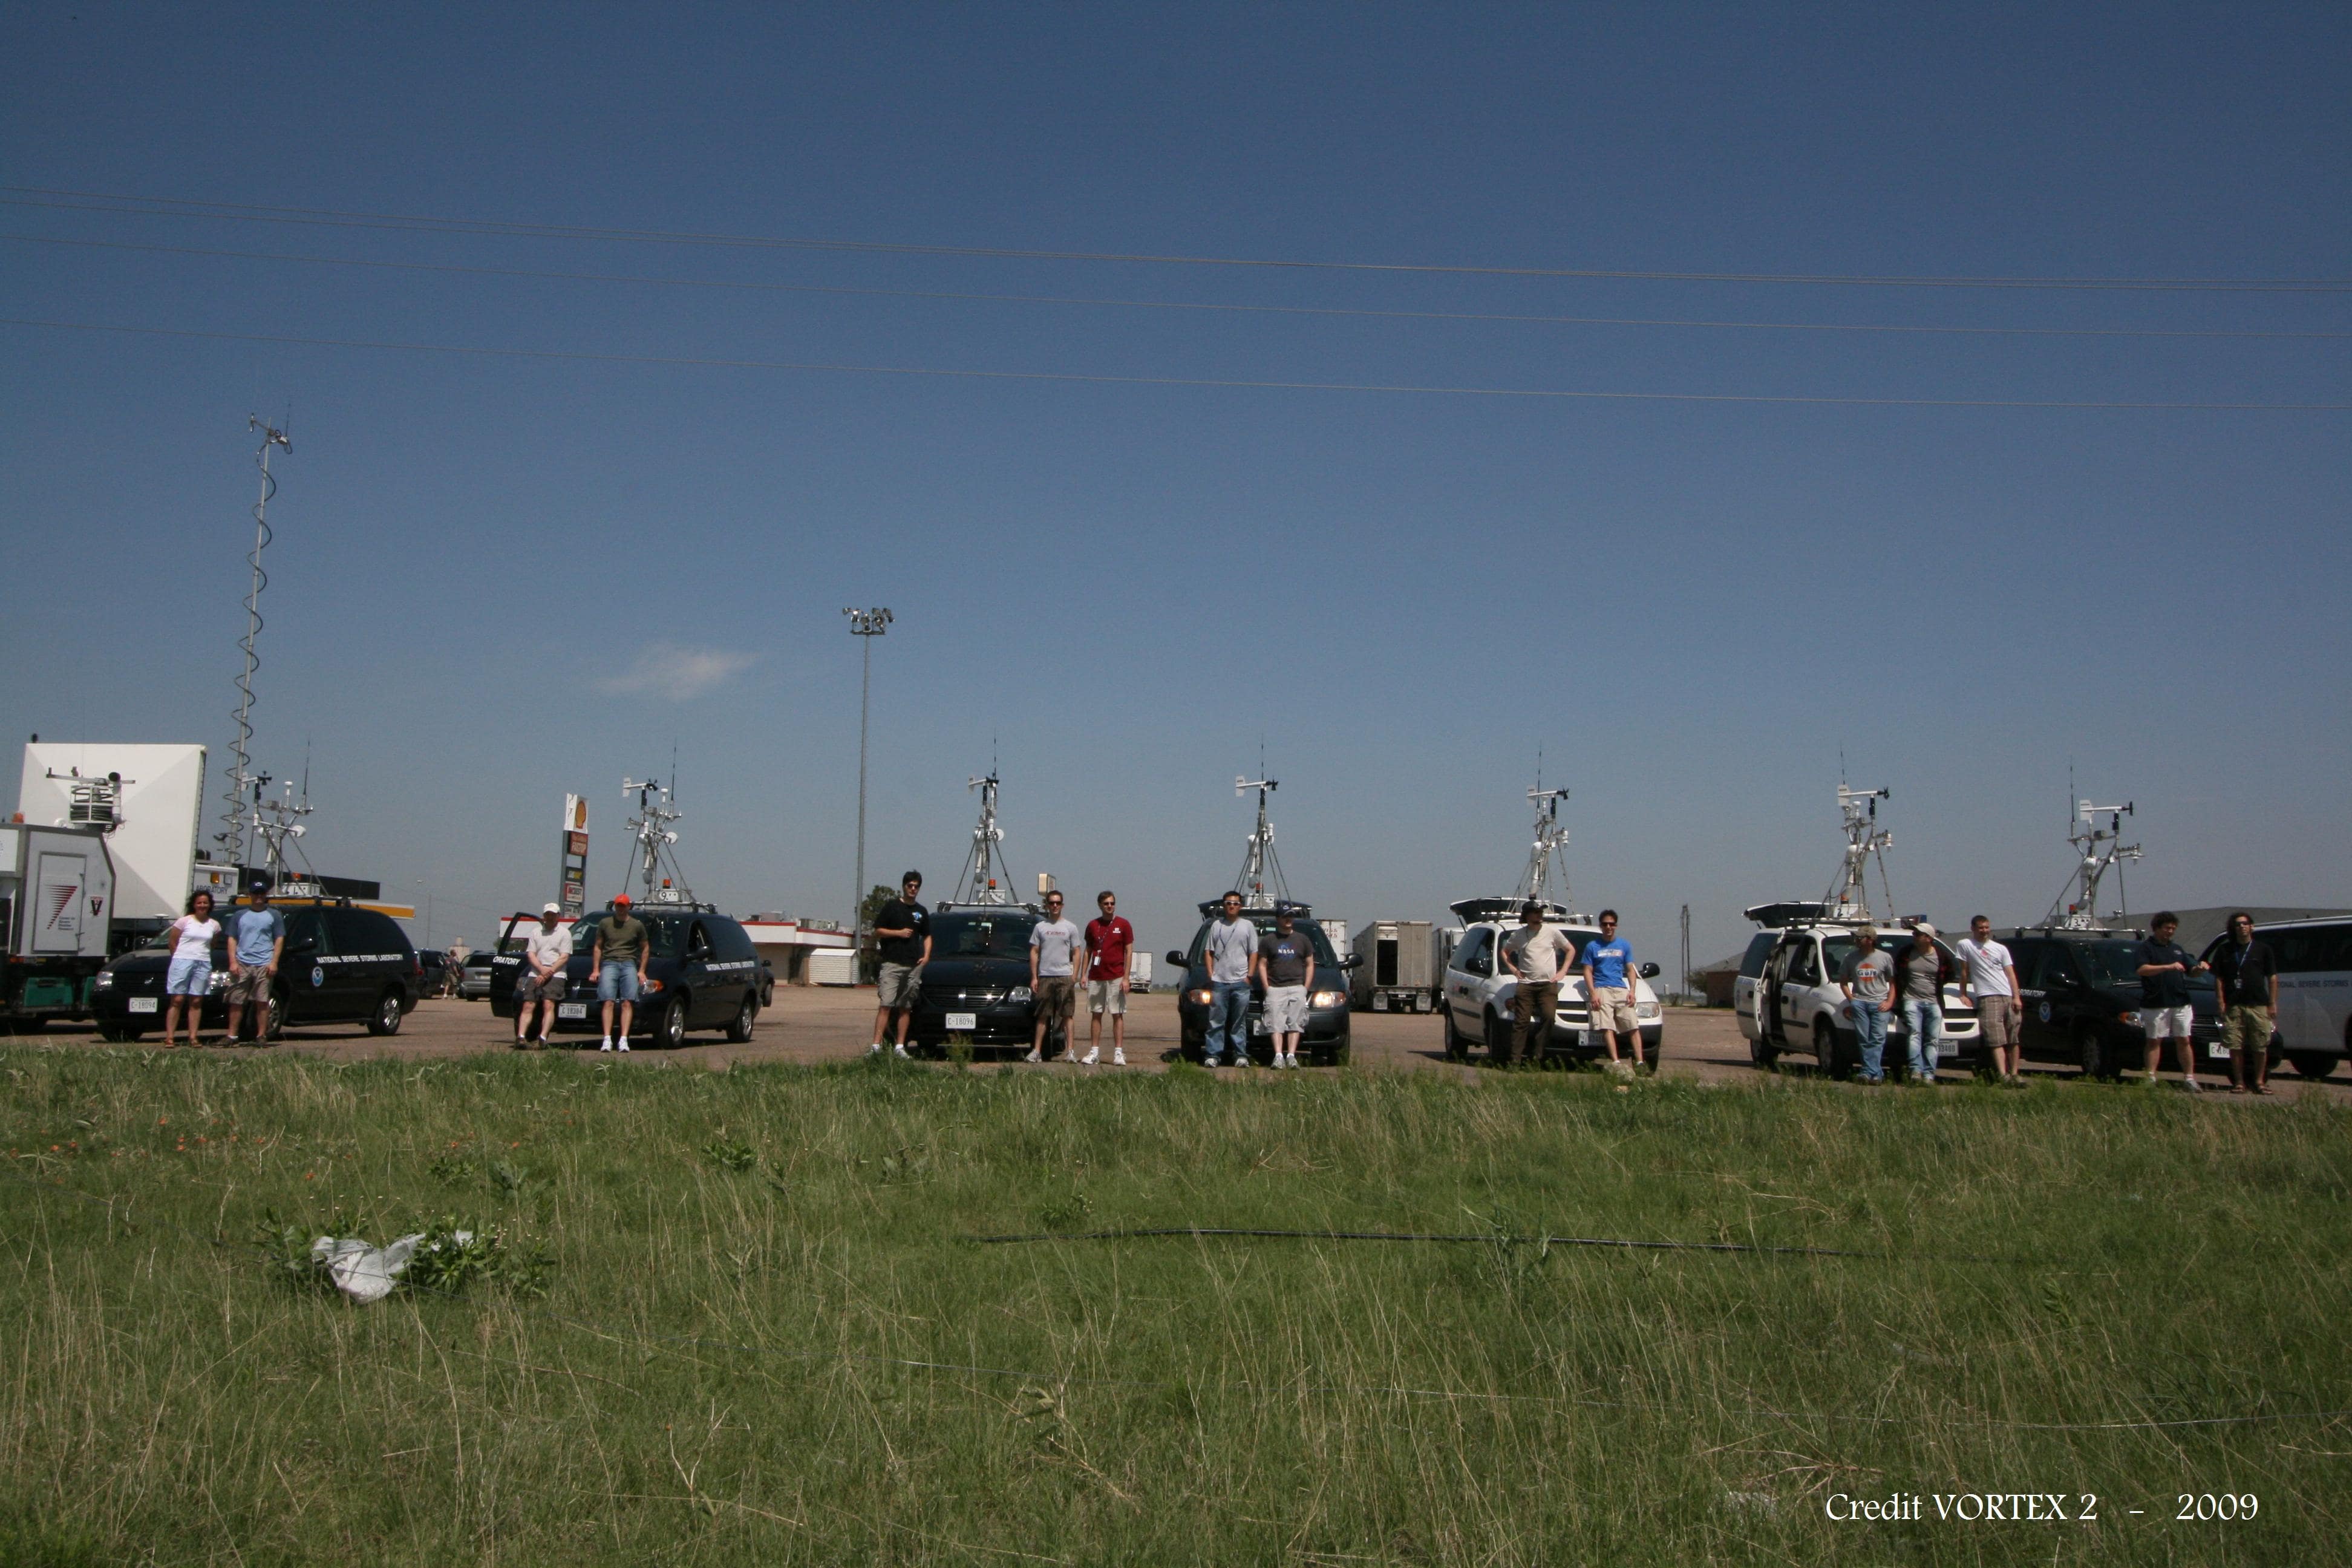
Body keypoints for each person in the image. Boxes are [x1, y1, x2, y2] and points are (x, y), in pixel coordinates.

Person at [2134, 911, 2209, 1091]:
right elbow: (2142, 969)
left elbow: (2191, 970)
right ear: (2157, 928)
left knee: (2184, 1039)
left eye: (2173, 929)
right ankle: (2150, 1077)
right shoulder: (2146, 948)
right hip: (2156, 1003)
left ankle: (2189, 1078)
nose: (2170, 932)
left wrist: (2201, 968)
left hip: (2180, 1002)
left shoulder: (2177, 949)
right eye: (2167, 928)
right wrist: (2168, 967)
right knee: (2154, 1040)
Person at [1498, 901, 1574, 1068]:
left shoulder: (1552, 932)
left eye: (1540, 912)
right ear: (1527, 916)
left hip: (1547, 985)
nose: (1539, 915)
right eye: (1535, 912)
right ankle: (1515, 1060)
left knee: (1548, 1017)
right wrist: (1513, 968)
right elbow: (1505, 952)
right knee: (1522, 1021)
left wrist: (1563, 972)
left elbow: (1570, 950)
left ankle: (1536, 1058)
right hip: (1526, 985)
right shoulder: (1519, 935)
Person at [2210, 912, 2278, 1095]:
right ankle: (2239, 1083)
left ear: (2252, 926)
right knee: (2235, 1045)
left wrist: (2272, 1003)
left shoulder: (2263, 949)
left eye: (2245, 924)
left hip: (2258, 1005)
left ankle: (2259, 1082)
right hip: (2234, 1005)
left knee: (2260, 1045)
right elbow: (2218, 978)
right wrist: (2220, 1001)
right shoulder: (2225, 950)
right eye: (2238, 925)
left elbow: (2272, 977)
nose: (2242, 927)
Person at [868, 872, 930, 1059]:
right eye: (910, 886)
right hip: (892, 964)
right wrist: (899, 933)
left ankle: (900, 1046)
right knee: (886, 1005)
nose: (913, 889)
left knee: (905, 1007)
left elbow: (927, 935)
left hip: (913, 966)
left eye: (916, 886)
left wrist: (926, 956)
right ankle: (876, 1047)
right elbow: (878, 930)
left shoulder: (922, 912)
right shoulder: (892, 907)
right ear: (904, 886)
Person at [1956, 916, 2024, 1085]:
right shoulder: (1966, 945)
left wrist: (2016, 997)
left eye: (1987, 927)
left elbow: (2010, 974)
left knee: (2013, 1037)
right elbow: (1964, 971)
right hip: (1988, 996)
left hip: (2007, 994)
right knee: (1996, 1038)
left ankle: (2015, 1074)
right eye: (1981, 928)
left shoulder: (2000, 949)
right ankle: (2003, 1074)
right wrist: (1963, 993)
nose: (1985, 931)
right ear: (1973, 928)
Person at [1580, 909, 1645, 1076]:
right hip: (1602, 988)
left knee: (1632, 1025)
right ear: (1600, 926)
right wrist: (1593, 993)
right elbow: (1588, 971)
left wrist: (1632, 991)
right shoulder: (1592, 947)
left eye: (1611, 924)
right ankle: (1616, 1062)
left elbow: (1630, 969)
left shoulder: (1624, 945)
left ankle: (1640, 1062)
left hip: (1620, 988)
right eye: (1605, 924)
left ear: (1616, 926)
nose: (1608, 927)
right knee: (1607, 1026)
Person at [223, 878, 285, 1046]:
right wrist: (233, 962)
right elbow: (232, 939)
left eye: (262, 893)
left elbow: (279, 939)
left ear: (266, 895)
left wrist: (274, 962)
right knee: (236, 1000)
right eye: (256, 893)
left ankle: (261, 1035)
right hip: (242, 962)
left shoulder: (274, 915)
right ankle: (232, 1035)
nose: (259, 896)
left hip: (264, 962)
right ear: (250, 895)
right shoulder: (240, 915)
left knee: (262, 1001)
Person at [1255, 904, 1318, 1069]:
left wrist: (1306, 987)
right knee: (1275, 1023)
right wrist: (1266, 986)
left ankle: (1291, 1056)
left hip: (1297, 987)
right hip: (1275, 988)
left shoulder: (1302, 940)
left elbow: (1310, 964)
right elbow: (1262, 964)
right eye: (1285, 916)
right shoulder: (1269, 940)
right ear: (1278, 919)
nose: (1289, 919)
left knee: (1295, 1023)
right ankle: (1278, 1056)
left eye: (1291, 916)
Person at [1026, 890, 1083, 1063]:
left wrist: (1074, 975)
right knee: (1043, 1015)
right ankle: (1036, 1051)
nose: (1055, 906)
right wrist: (1035, 977)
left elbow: (1077, 951)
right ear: (1047, 905)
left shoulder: (1070, 928)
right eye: (1052, 903)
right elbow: (1034, 951)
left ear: (1062, 905)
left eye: (1058, 903)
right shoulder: (1040, 927)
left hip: (1064, 976)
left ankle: (1071, 1051)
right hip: (1045, 976)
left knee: (1067, 1014)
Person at [1892, 924, 1955, 1084]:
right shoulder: (1907, 953)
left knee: (1932, 1039)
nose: (1914, 936)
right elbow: (1898, 973)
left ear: (1929, 938)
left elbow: (1949, 974)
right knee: (1914, 1034)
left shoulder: (1940, 956)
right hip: (1911, 1000)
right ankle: (1916, 1071)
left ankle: (1929, 1075)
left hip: (1934, 1002)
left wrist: (1938, 986)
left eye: (1918, 934)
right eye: (1914, 933)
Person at [1202, 891, 1258, 1068]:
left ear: (1240, 906)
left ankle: (1240, 1055)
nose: (1232, 906)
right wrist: (1211, 974)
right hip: (1220, 981)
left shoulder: (1247, 926)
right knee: (1216, 1021)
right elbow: (1208, 952)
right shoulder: (1216, 926)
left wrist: (1249, 976)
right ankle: (1213, 1055)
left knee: (1238, 1022)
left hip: (1241, 982)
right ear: (1224, 905)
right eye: (1228, 903)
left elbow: (1254, 952)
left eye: (1235, 903)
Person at [159, 890, 220, 1049]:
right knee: (177, 1000)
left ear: (210, 905)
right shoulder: (184, 922)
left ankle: (193, 1037)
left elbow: (212, 944)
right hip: (182, 961)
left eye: (205, 903)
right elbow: (172, 942)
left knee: (197, 1000)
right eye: (199, 903)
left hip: (203, 962)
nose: (202, 905)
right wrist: (179, 959)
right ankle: (170, 1037)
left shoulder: (214, 925)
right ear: (194, 904)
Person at [590, 894, 649, 1052]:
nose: (621, 909)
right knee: (608, 1001)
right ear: (615, 907)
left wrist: (642, 970)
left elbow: (645, 947)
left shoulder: (637, 925)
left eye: (623, 906)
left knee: (627, 1002)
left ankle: (624, 1039)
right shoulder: (605, 923)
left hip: (629, 963)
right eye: (618, 906)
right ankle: (607, 1039)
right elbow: (598, 946)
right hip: (609, 963)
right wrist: (596, 969)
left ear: (629, 906)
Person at [1082, 890, 1134, 1067]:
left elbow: (1129, 951)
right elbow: (1088, 950)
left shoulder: (1124, 925)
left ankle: (1119, 1053)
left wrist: (1126, 978)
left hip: (1116, 976)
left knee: (1117, 1014)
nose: (1110, 906)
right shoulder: (1092, 925)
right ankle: (1094, 1051)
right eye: (1106, 904)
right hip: (1096, 977)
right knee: (1096, 1014)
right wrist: (1083, 974)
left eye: (1112, 903)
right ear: (1100, 905)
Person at [1836, 924, 1893, 1085]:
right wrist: (1852, 1000)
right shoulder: (1850, 958)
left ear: (1870, 940)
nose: (1857, 940)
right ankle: (1874, 1073)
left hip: (1880, 1003)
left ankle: (1869, 1072)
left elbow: (1893, 983)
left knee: (1877, 1039)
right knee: (1864, 1039)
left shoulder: (1885, 958)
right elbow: (1844, 982)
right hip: (1860, 1002)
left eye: (1860, 938)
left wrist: (1889, 1002)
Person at [513, 901, 574, 1048]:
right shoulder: (536, 932)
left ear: (558, 916)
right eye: (547, 914)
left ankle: (542, 1037)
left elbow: (564, 957)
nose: (550, 917)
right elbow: (531, 954)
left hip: (556, 974)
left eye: (553, 915)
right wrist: (541, 969)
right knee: (528, 1004)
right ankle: (521, 1037)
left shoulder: (565, 934)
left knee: (549, 1004)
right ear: (544, 916)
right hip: (536, 972)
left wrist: (548, 972)